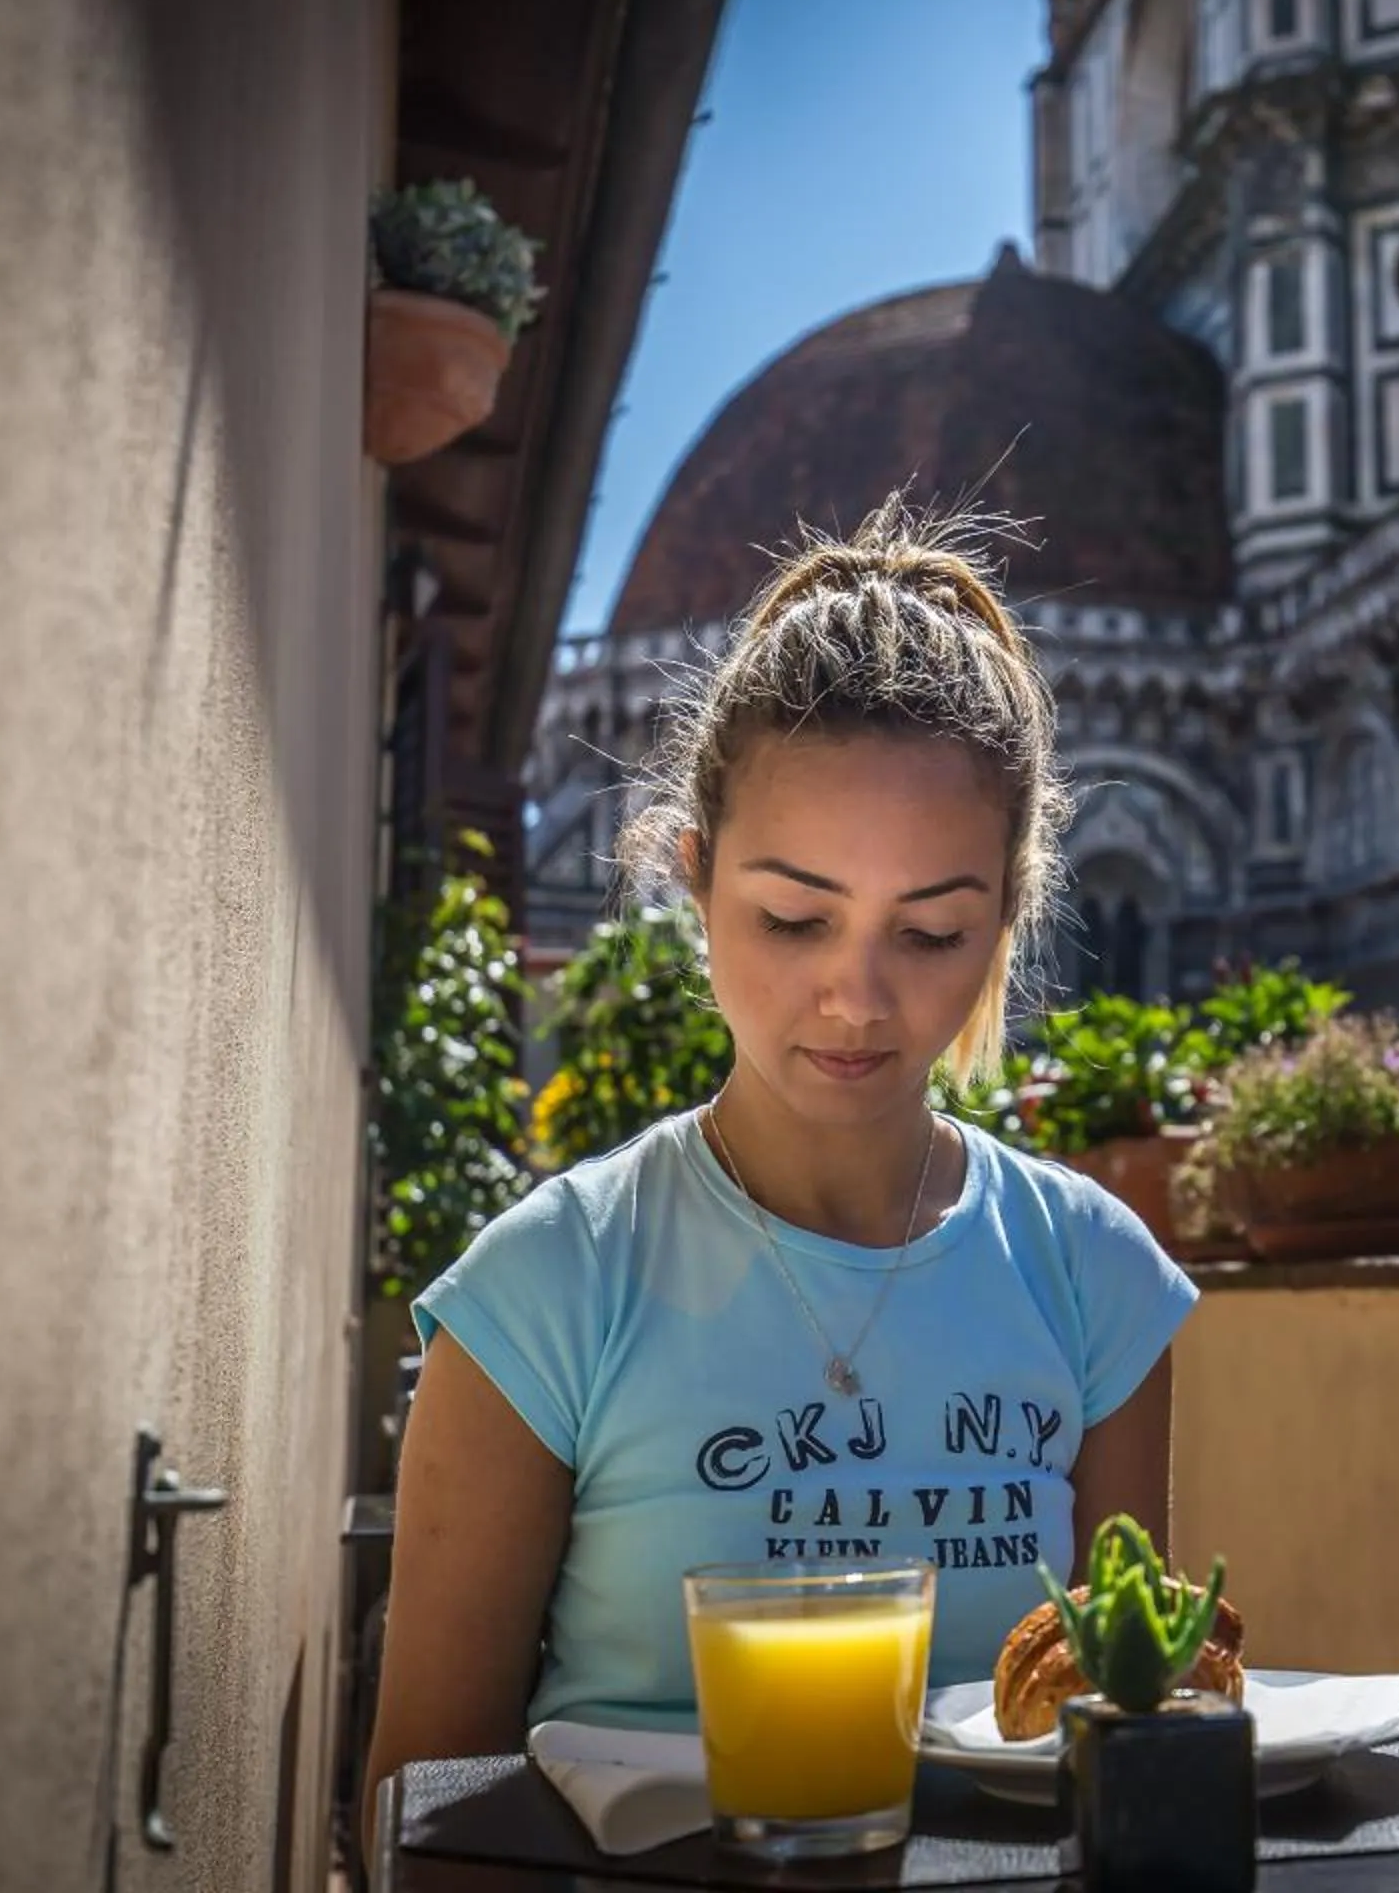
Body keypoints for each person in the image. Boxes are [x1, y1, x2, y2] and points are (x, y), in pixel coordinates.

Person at [360, 500, 1196, 1824]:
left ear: (1009, 917)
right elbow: (431, 1807)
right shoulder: (548, 1292)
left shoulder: (1097, 1278)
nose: (855, 1000)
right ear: (693, 881)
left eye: (929, 935)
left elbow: (1125, 1728)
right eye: (795, 917)